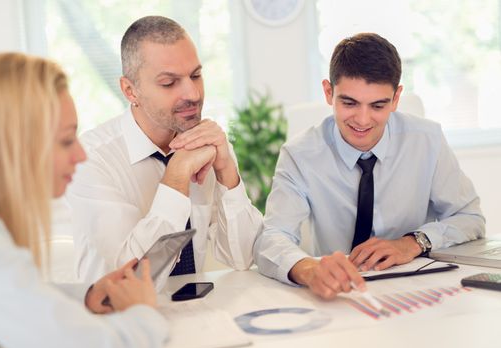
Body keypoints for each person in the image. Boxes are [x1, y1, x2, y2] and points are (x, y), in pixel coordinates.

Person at [253, 33, 485, 300]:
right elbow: (272, 237)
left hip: (417, 290)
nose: (362, 120)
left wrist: (412, 242)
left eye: (377, 105)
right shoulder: (300, 155)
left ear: (396, 98)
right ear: (329, 92)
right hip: (341, 295)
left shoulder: (427, 140)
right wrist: (308, 269)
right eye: (349, 103)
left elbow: (470, 218)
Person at [0, 53, 167, 348]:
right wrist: (143, 314)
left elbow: (18, 297)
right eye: (66, 140)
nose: (80, 155)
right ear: (15, 147)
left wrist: (87, 295)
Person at [66, 15, 262, 285]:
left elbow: (242, 258)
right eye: (169, 83)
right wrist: (177, 173)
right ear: (130, 90)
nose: (192, 94)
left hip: (196, 315)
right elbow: (133, 278)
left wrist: (227, 170)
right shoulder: (90, 159)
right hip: (117, 322)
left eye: (196, 75)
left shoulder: (207, 142)